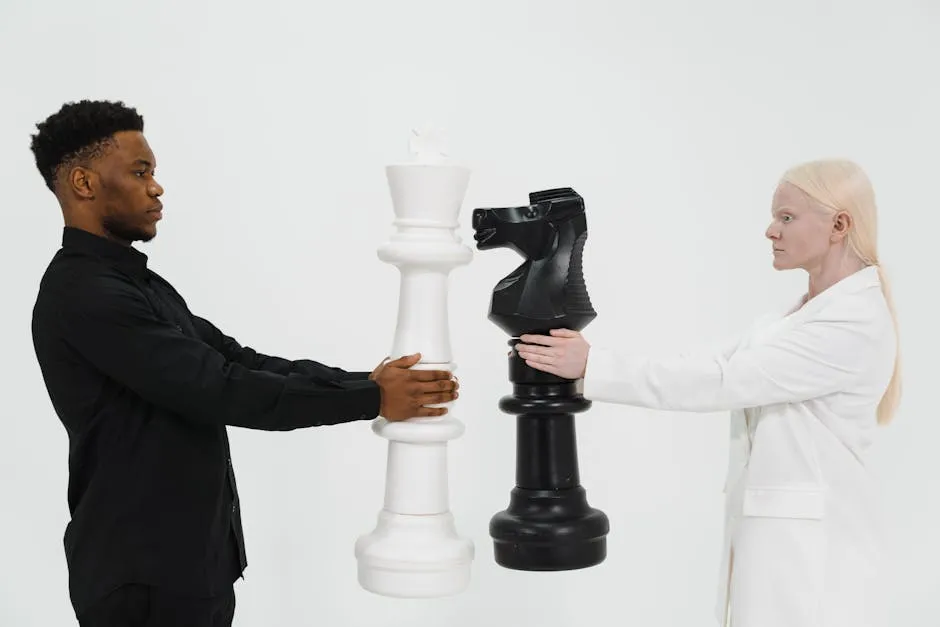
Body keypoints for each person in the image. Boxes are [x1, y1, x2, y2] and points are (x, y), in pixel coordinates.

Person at [29, 99, 459, 627]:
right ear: (84, 183)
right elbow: (218, 387)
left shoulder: (136, 284)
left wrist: (365, 382)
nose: (157, 188)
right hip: (141, 579)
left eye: (154, 172)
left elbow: (237, 358)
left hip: (190, 568)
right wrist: (371, 399)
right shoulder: (85, 295)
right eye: (140, 173)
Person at [516, 159, 900, 627]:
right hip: (779, 538)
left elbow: (722, 383)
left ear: (839, 225)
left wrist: (593, 366)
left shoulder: (852, 324)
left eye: (786, 217)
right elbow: (710, 365)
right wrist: (592, 362)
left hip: (813, 550)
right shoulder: (794, 318)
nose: (770, 231)